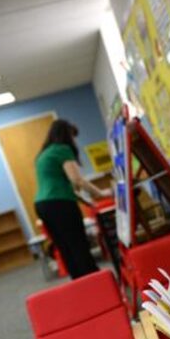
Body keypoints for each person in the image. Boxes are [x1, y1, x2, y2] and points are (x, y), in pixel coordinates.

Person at [34, 119, 111, 279]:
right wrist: (101, 193)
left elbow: (60, 185)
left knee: (65, 246)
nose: (74, 141)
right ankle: (94, 280)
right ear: (66, 135)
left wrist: (87, 201)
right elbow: (77, 180)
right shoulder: (62, 149)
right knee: (78, 243)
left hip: (43, 205)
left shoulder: (43, 155)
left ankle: (79, 282)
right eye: (73, 137)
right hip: (60, 204)